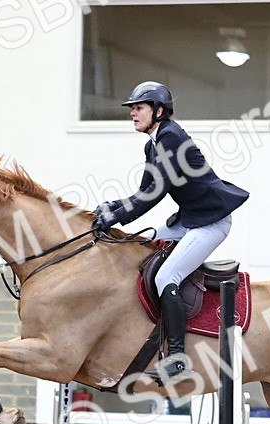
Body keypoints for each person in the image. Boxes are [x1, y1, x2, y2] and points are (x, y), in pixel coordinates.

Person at [94, 81, 249, 382]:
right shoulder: (153, 143)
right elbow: (145, 189)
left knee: (167, 276)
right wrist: (112, 207)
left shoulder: (171, 137)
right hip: (190, 220)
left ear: (158, 111)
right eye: (132, 109)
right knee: (142, 243)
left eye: (139, 108)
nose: (133, 113)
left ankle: (178, 360)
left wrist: (116, 216)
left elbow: (156, 193)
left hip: (210, 223)